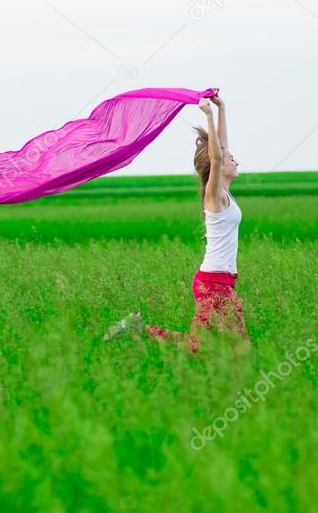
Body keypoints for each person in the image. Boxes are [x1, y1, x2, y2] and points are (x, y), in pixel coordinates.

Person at [104, 90, 248, 352]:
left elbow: (221, 150)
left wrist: (221, 109)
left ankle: (138, 329)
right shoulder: (213, 196)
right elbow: (217, 157)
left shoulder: (225, 190)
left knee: (213, 348)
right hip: (213, 282)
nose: (236, 160)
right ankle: (140, 330)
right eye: (231, 159)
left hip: (224, 281)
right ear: (218, 166)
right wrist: (207, 114)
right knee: (228, 349)